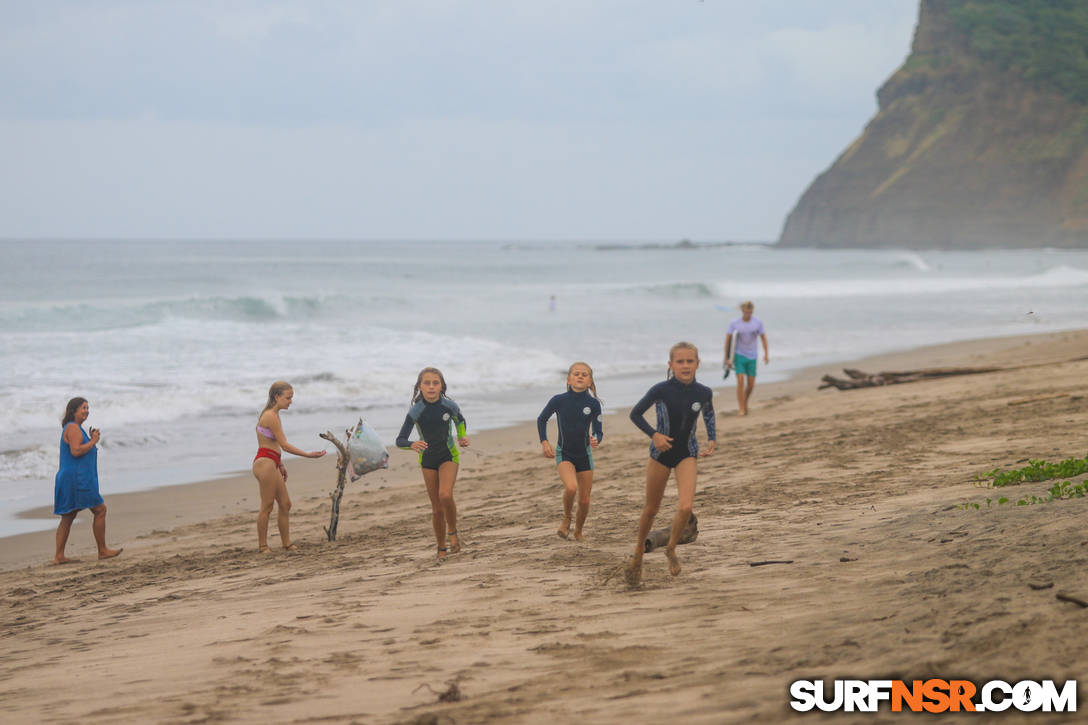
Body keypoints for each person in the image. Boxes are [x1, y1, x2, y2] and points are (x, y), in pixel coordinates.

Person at [625, 342, 716, 585]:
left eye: (690, 361)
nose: (685, 365)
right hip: (661, 454)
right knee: (651, 509)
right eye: (680, 361)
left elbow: (708, 414)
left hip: (687, 452)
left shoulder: (704, 392)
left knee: (685, 507)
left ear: (698, 363)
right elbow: (635, 414)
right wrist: (654, 435)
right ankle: (637, 553)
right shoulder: (660, 390)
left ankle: (671, 548)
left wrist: (712, 439)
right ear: (671, 365)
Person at [395, 367, 470, 560]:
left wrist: (462, 437)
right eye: (426, 383)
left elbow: (460, 420)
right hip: (427, 460)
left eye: (435, 383)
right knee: (436, 508)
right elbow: (400, 440)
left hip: (448, 456)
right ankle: (441, 546)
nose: (431, 386)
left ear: (441, 386)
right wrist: (412, 444)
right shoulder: (416, 411)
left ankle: (452, 532)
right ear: (420, 386)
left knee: (445, 495)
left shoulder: (449, 406)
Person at [252, 381, 326, 553]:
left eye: (291, 397)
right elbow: (284, 445)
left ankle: (286, 544)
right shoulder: (270, 416)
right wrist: (308, 455)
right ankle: (263, 546)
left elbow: (272, 444)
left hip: (273, 462)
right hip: (264, 464)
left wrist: (280, 464)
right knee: (267, 505)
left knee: (285, 504)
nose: (291, 401)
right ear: (277, 397)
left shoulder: (275, 415)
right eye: (288, 398)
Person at [537, 362, 604, 541]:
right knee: (571, 487)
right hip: (564, 453)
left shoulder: (593, 404)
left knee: (584, 500)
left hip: (585, 455)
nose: (580, 376)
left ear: (590, 381)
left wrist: (596, 438)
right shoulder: (558, 400)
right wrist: (544, 442)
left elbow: (599, 430)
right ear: (568, 379)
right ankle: (566, 519)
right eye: (576, 374)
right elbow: (541, 419)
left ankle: (579, 531)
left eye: (584, 374)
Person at [53, 397, 123, 564]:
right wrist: (93, 441)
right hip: (77, 479)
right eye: (83, 408)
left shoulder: (75, 428)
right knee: (100, 510)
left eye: (87, 408)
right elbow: (76, 451)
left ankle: (59, 556)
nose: (86, 410)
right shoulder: (73, 428)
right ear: (73, 411)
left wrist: (91, 440)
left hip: (73, 478)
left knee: (68, 516)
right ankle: (102, 550)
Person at [724, 300, 769, 416]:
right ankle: (741, 408)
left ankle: (744, 401)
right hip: (739, 355)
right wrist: (727, 357)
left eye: (750, 312)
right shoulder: (734, 323)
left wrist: (766, 354)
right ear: (742, 311)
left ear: (752, 311)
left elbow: (763, 338)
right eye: (746, 311)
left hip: (752, 356)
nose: (748, 314)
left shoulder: (757, 323)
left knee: (751, 385)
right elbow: (728, 340)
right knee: (740, 381)